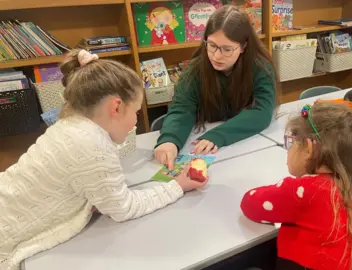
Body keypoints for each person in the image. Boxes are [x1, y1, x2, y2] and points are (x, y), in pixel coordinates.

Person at [0, 50, 207, 270]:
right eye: (136, 111)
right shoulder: (93, 144)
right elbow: (124, 208)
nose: (136, 120)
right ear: (116, 107)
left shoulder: (70, 124)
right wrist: (178, 186)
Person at [240, 103, 352, 270]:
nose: (288, 150)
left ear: (308, 148)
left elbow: (250, 203)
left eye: (291, 143)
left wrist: (282, 187)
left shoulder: (306, 191)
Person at [154, 5, 279, 170]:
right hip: (208, 150)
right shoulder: (196, 70)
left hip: (247, 146)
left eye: (227, 49)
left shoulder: (260, 67)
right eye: (212, 45)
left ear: (243, 46)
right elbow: (181, 109)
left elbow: (262, 112)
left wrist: (217, 135)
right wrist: (170, 140)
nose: (216, 56)